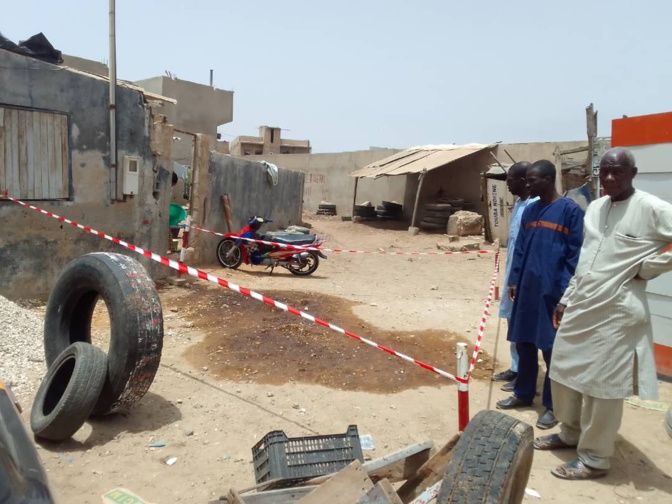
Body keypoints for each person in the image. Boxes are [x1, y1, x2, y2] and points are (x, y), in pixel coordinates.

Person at [535, 147, 672, 480]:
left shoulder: (651, 208)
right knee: (563, 369)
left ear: (633, 174)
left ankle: (595, 458)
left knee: (603, 387)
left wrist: (650, 266)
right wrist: (566, 299)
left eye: (618, 172)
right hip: (582, 304)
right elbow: (586, 260)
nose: (610, 178)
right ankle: (571, 433)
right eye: (604, 172)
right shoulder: (595, 207)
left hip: (617, 312)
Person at [496, 160, 584, 430]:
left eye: (532, 180)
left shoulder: (570, 211)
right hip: (527, 289)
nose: (527, 184)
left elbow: (575, 256)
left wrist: (563, 294)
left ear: (547, 180)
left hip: (552, 292)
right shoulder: (531, 210)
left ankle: (551, 405)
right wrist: (514, 280)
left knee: (550, 349)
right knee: (523, 342)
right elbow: (520, 249)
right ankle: (523, 394)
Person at [493, 161, 539, 392]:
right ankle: (516, 367)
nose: (507, 184)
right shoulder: (520, 204)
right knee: (513, 324)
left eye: (510, 180)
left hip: (525, 279)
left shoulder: (536, 205)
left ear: (522, 181)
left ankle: (525, 376)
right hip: (513, 276)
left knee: (525, 328)